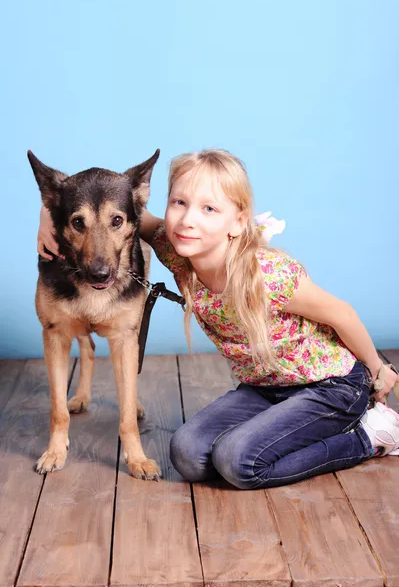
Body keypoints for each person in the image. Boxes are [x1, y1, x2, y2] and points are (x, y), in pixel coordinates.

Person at [37, 149, 399, 489]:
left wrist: (377, 370)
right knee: (187, 454)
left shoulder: (267, 275)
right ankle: (291, 428)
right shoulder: (175, 247)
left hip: (330, 384)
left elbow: (342, 313)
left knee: (238, 461)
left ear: (238, 222)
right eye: (179, 203)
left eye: (209, 209)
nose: (188, 218)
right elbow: (99, 205)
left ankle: (369, 437)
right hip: (267, 387)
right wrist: (48, 216)